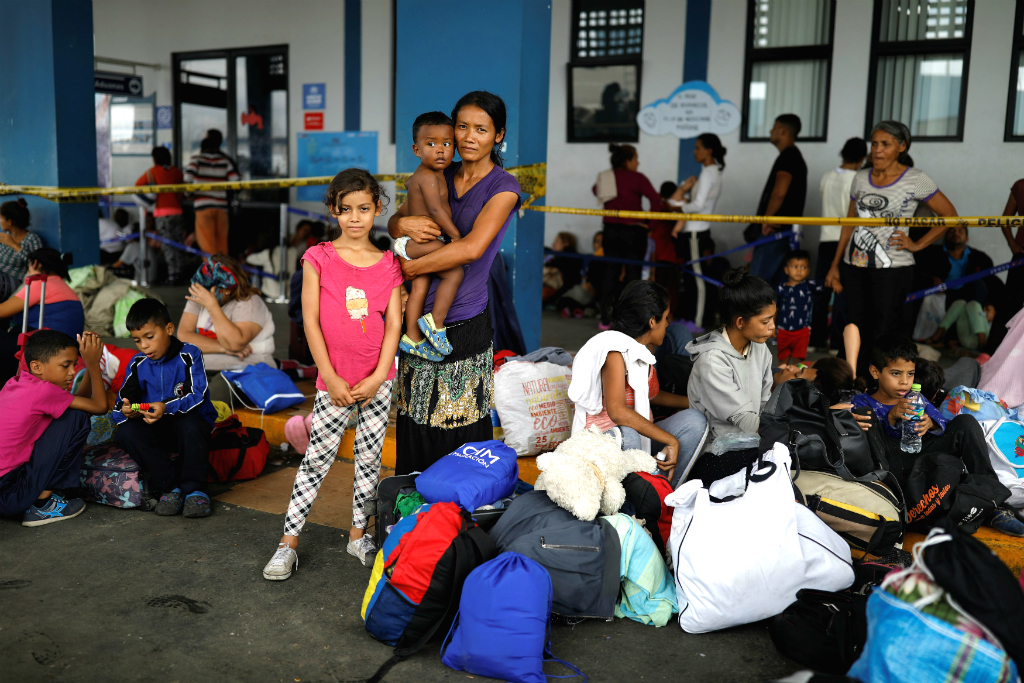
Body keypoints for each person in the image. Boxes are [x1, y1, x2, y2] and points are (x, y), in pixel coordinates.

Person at [263, 168, 404, 577]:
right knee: (316, 461)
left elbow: (393, 324)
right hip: (334, 382)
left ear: (377, 209)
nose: (356, 217)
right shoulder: (318, 258)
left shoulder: (389, 264)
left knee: (369, 460)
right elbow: (310, 321)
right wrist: (330, 375)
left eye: (364, 208)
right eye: (346, 209)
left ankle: (359, 535)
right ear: (333, 211)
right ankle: (287, 543)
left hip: (379, 382)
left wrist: (379, 376)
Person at [387, 92, 522, 474]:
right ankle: (412, 525)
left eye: (481, 129)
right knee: (415, 424)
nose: (468, 137)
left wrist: (413, 269)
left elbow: (474, 247)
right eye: (462, 126)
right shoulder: (438, 169)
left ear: (498, 136)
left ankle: (456, 527)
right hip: (415, 321)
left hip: (463, 323)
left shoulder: (503, 187)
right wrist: (401, 226)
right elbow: (395, 220)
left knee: (459, 437)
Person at [850, 334, 1024, 536]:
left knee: (965, 422)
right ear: (875, 372)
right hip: (895, 470)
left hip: (924, 457)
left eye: (910, 374)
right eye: (896, 374)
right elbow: (868, 446)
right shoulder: (861, 403)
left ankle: (993, 501)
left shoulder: (916, 398)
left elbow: (945, 424)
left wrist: (930, 424)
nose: (904, 382)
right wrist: (891, 418)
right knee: (868, 421)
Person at [824, 121, 957, 377]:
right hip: (855, 266)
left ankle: (880, 388)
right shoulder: (860, 177)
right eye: (874, 144)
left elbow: (949, 216)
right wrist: (835, 265)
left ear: (902, 147)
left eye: (885, 144)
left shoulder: (916, 179)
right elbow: (849, 223)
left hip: (893, 269)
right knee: (854, 326)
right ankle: (851, 381)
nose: (877, 150)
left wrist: (916, 245)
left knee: (884, 330)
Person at [568, 281, 708, 488]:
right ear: (652, 322)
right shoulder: (614, 351)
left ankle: (662, 494)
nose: (668, 324)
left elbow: (653, 395)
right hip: (605, 443)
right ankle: (643, 496)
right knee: (629, 433)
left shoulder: (642, 352)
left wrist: (696, 403)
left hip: (636, 438)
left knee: (695, 420)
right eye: (666, 318)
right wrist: (670, 440)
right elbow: (617, 412)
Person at [113, 299, 218, 519]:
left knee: (190, 423)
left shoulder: (189, 355)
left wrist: (165, 407)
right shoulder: (138, 362)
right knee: (126, 432)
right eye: (137, 340)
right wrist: (127, 409)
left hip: (189, 424)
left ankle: (196, 490)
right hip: (156, 426)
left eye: (149, 337)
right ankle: (170, 487)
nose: (144, 346)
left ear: (169, 329)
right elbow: (124, 398)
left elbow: (197, 395)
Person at [0, 330, 108, 525]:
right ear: (37, 366)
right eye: (65, 366)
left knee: (73, 413)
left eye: (75, 365)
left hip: (5, 491)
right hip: (9, 494)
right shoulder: (44, 391)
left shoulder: (16, 383)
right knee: (76, 418)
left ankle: (40, 497)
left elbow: (79, 402)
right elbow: (99, 407)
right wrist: (93, 364)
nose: (73, 372)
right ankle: (42, 505)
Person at [394, 112, 465, 362]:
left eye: (446, 144)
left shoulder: (423, 175)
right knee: (455, 272)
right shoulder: (428, 176)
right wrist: (456, 237)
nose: (440, 150)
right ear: (416, 149)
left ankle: (412, 338)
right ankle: (435, 322)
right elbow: (436, 210)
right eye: (431, 144)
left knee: (419, 289)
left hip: (414, 244)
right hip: (419, 243)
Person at [686, 269, 776, 446]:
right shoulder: (712, 360)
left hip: (754, 438)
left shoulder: (760, 347)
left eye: (773, 319)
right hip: (719, 448)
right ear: (740, 322)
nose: (772, 327)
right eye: (765, 322)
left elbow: (766, 403)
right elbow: (744, 419)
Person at [592, 143, 662, 328]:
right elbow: (656, 200)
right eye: (635, 158)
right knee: (634, 277)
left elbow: (595, 190)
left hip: (611, 231)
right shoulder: (637, 178)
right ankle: (633, 321)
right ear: (627, 160)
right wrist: (650, 225)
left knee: (610, 275)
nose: (638, 162)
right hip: (634, 232)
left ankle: (605, 320)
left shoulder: (606, 177)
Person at [177, 255, 276, 372]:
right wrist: (221, 348)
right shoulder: (200, 294)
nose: (201, 292)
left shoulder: (250, 302)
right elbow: (184, 336)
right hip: (212, 363)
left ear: (227, 290)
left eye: (208, 289)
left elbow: (235, 344)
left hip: (251, 367)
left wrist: (212, 306)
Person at [812, 137, 867, 350]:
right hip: (846, 240)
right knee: (841, 294)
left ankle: (815, 340)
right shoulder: (857, 179)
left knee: (821, 290)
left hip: (825, 238)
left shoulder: (827, 175)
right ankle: (836, 342)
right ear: (862, 158)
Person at [667, 133, 726, 326]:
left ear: (709, 151)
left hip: (696, 232)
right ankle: (696, 318)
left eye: (698, 148)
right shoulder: (711, 171)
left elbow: (699, 205)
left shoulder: (709, 172)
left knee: (698, 278)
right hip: (696, 231)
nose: (694, 152)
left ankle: (700, 320)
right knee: (693, 277)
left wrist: (679, 208)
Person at [749, 114, 807, 285]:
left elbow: (779, 192)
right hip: (784, 233)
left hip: (774, 232)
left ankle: (757, 313)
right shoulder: (794, 156)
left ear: (782, 131)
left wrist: (767, 220)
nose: (770, 131)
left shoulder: (788, 156)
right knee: (775, 288)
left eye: (774, 127)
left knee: (757, 286)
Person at [0, 248, 85, 339]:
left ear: (35, 263)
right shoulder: (61, 285)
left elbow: (2, 311)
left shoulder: (41, 283)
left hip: (44, 348)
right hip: (65, 347)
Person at [136, 146, 187, 284]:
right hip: (178, 212)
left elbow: (138, 185)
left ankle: (172, 275)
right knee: (179, 244)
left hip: (162, 214)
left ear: (155, 159)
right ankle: (180, 273)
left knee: (167, 245)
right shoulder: (176, 171)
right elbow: (184, 192)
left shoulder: (152, 172)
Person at [185, 131, 240, 256]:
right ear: (216, 147)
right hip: (222, 208)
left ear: (202, 148)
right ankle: (222, 272)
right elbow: (236, 182)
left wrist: (189, 195)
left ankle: (213, 275)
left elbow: (187, 180)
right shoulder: (225, 161)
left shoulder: (196, 160)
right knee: (222, 245)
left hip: (203, 207)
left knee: (207, 246)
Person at [990, 180, 1024, 354]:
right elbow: (1005, 219)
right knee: (1010, 305)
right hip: (1021, 256)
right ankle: (993, 352)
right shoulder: (1021, 185)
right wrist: (1012, 243)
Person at [774, 249, 821, 365]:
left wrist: (834, 281)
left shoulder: (809, 286)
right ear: (786, 270)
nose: (799, 270)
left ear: (808, 270)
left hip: (802, 331)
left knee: (799, 361)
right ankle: (781, 381)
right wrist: (771, 324)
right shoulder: (781, 288)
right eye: (795, 267)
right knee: (782, 360)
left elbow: (826, 284)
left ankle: (797, 381)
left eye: (803, 267)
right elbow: (775, 307)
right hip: (783, 330)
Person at [0, 198, 45, 287]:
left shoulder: (32, 239)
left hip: (13, 282)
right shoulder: (6, 236)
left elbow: (38, 265)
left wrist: (15, 245)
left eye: (1, 218)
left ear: (9, 222)